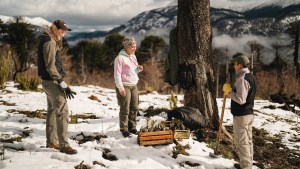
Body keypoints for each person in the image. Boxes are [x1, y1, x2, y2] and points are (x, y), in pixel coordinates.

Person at [37, 20, 77, 154]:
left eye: (64, 31)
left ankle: (52, 142)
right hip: (52, 82)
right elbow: (50, 66)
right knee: (63, 111)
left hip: (50, 81)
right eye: (61, 30)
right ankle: (64, 145)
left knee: (53, 112)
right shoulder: (49, 42)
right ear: (54, 29)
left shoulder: (51, 40)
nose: (63, 34)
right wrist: (61, 82)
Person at [223, 53, 256, 169]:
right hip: (248, 114)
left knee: (241, 142)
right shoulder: (250, 76)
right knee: (248, 140)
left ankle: (246, 167)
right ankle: (247, 164)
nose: (234, 66)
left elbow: (241, 99)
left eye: (235, 64)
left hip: (242, 115)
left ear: (240, 65)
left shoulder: (242, 79)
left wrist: (229, 91)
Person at [114, 37, 143, 138]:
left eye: (135, 46)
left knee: (134, 107)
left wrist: (138, 69)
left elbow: (132, 71)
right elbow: (117, 75)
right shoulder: (119, 58)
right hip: (124, 85)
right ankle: (124, 129)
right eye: (132, 46)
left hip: (133, 85)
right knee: (125, 108)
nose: (134, 48)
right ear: (126, 47)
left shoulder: (133, 56)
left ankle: (132, 127)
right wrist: (120, 88)